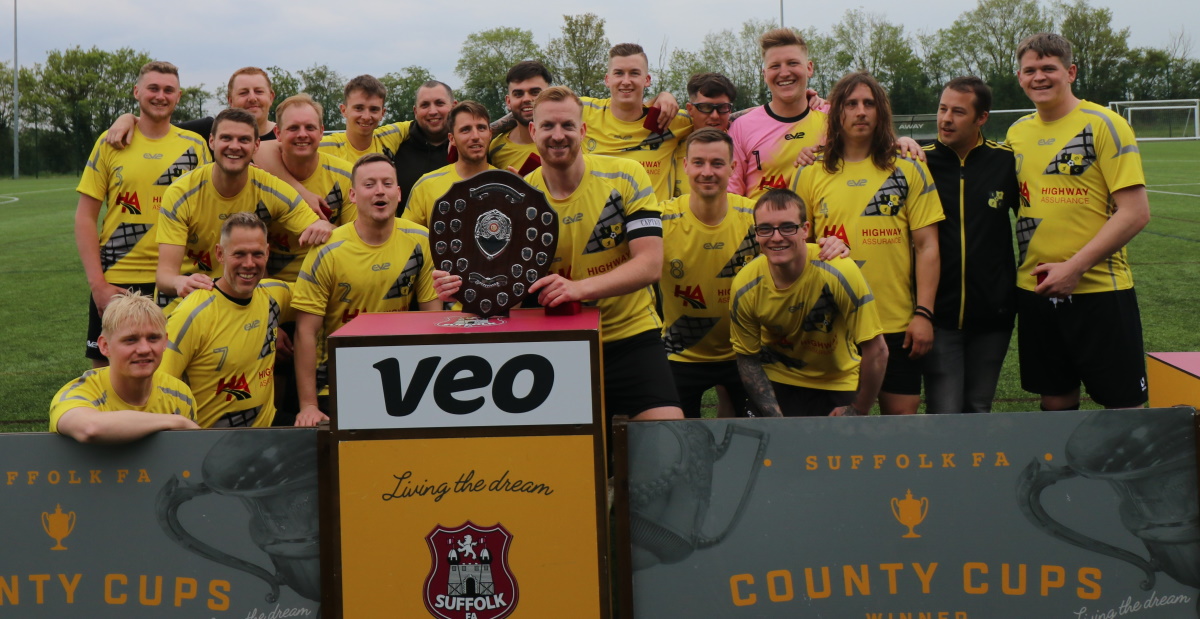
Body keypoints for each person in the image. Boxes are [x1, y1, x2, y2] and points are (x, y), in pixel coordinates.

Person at [1005, 33, 1150, 410]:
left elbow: (1135, 213)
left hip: (1101, 291)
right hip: (1035, 291)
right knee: (1055, 404)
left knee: (1124, 408)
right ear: (1019, 77)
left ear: (1070, 72)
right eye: (1030, 70)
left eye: (1048, 68)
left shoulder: (1106, 124)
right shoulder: (1016, 133)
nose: (1039, 77)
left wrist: (1074, 268)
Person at [791, 72, 943, 416]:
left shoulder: (908, 166)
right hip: (832, 324)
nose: (861, 111)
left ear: (881, 112)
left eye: (869, 103)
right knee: (836, 431)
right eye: (851, 104)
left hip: (896, 322)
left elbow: (928, 246)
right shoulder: (809, 170)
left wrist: (923, 313)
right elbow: (797, 247)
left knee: (901, 425)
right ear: (837, 114)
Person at [75, 61, 211, 367]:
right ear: (137, 92)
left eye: (168, 90)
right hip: (120, 281)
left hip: (180, 279)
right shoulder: (111, 142)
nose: (160, 96)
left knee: (176, 374)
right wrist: (98, 285)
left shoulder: (196, 146)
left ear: (178, 96)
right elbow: (85, 217)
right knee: (108, 374)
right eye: (153, 88)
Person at [292, 153, 441, 427]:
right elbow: (306, 332)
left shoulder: (421, 240)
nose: (379, 191)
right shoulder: (327, 250)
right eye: (369, 184)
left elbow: (432, 322)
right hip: (337, 383)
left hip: (403, 379)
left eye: (387, 184)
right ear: (352, 194)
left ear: (398, 193)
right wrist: (308, 405)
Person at [156, 108, 334, 314]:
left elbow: (322, 232)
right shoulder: (181, 193)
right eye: (226, 138)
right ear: (212, 141)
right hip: (188, 304)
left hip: (243, 306)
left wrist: (324, 226)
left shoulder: (271, 188)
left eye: (244, 140)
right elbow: (164, 277)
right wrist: (180, 282)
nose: (234, 146)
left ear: (256, 145)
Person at [731, 189, 887, 417]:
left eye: (787, 227)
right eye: (765, 228)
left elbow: (877, 350)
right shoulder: (745, 284)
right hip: (777, 378)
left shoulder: (839, 270)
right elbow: (747, 359)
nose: (776, 237)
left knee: (836, 453)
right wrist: (775, 418)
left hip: (837, 382)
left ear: (805, 230)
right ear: (756, 234)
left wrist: (858, 409)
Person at [920, 77, 1020, 413]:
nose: (945, 118)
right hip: (939, 316)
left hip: (994, 315)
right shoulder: (918, 161)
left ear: (981, 118)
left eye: (958, 112)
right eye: (942, 108)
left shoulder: (1006, 162)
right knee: (944, 412)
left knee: (979, 407)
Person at [161, 213, 292, 428]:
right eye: (239, 254)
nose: (249, 264)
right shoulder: (192, 313)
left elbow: (322, 297)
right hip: (209, 440)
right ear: (220, 254)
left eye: (257, 254)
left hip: (266, 429)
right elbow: (158, 384)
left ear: (268, 253)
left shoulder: (274, 296)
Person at [50, 291, 200, 443]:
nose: (144, 349)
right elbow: (90, 428)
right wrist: (178, 422)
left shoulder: (179, 393)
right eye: (130, 340)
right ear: (104, 346)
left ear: (165, 342)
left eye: (153, 338)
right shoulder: (78, 393)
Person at [253, 75, 411, 211]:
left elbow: (427, 120)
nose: (366, 116)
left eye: (374, 110)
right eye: (359, 108)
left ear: (383, 113)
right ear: (343, 110)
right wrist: (300, 192)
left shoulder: (390, 136)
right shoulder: (323, 145)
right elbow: (262, 150)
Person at [258, 94, 357, 281]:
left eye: (310, 127)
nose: (302, 134)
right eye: (293, 128)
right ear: (278, 133)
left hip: (329, 282)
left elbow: (358, 241)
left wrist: (330, 229)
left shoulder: (347, 175)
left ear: (321, 132)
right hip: (273, 285)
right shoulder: (259, 177)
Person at [578, 43, 692, 201]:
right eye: (618, 73)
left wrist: (664, 95)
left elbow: (718, 119)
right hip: (596, 222)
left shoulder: (669, 118)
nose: (626, 81)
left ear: (647, 80)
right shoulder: (583, 111)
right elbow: (542, 109)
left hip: (653, 222)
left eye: (634, 73)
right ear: (607, 79)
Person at [728, 29, 826, 200]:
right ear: (765, 74)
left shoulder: (835, 117)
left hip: (820, 225)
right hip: (760, 226)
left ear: (809, 68)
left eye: (793, 63)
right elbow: (732, 197)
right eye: (775, 66)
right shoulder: (741, 126)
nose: (785, 72)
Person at [106, 67, 280, 151]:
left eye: (258, 91)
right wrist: (128, 118)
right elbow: (162, 129)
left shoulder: (285, 137)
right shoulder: (207, 130)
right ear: (230, 100)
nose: (252, 98)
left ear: (271, 97)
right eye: (243, 92)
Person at [401, 101, 497, 227]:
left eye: (481, 128)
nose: (475, 136)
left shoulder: (508, 184)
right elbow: (408, 236)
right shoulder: (426, 185)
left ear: (490, 134)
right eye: (465, 130)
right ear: (452, 139)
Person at [395, 81, 457, 212]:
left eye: (439, 103)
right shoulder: (396, 150)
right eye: (425, 105)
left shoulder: (471, 150)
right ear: (415, 111)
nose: (433, 111)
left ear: (454, 106)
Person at [489, 61, 551, 175]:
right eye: (518, 94)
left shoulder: (570, 136)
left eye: (535, 92)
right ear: (508, 101)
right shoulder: (496, 149)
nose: (526, 99)